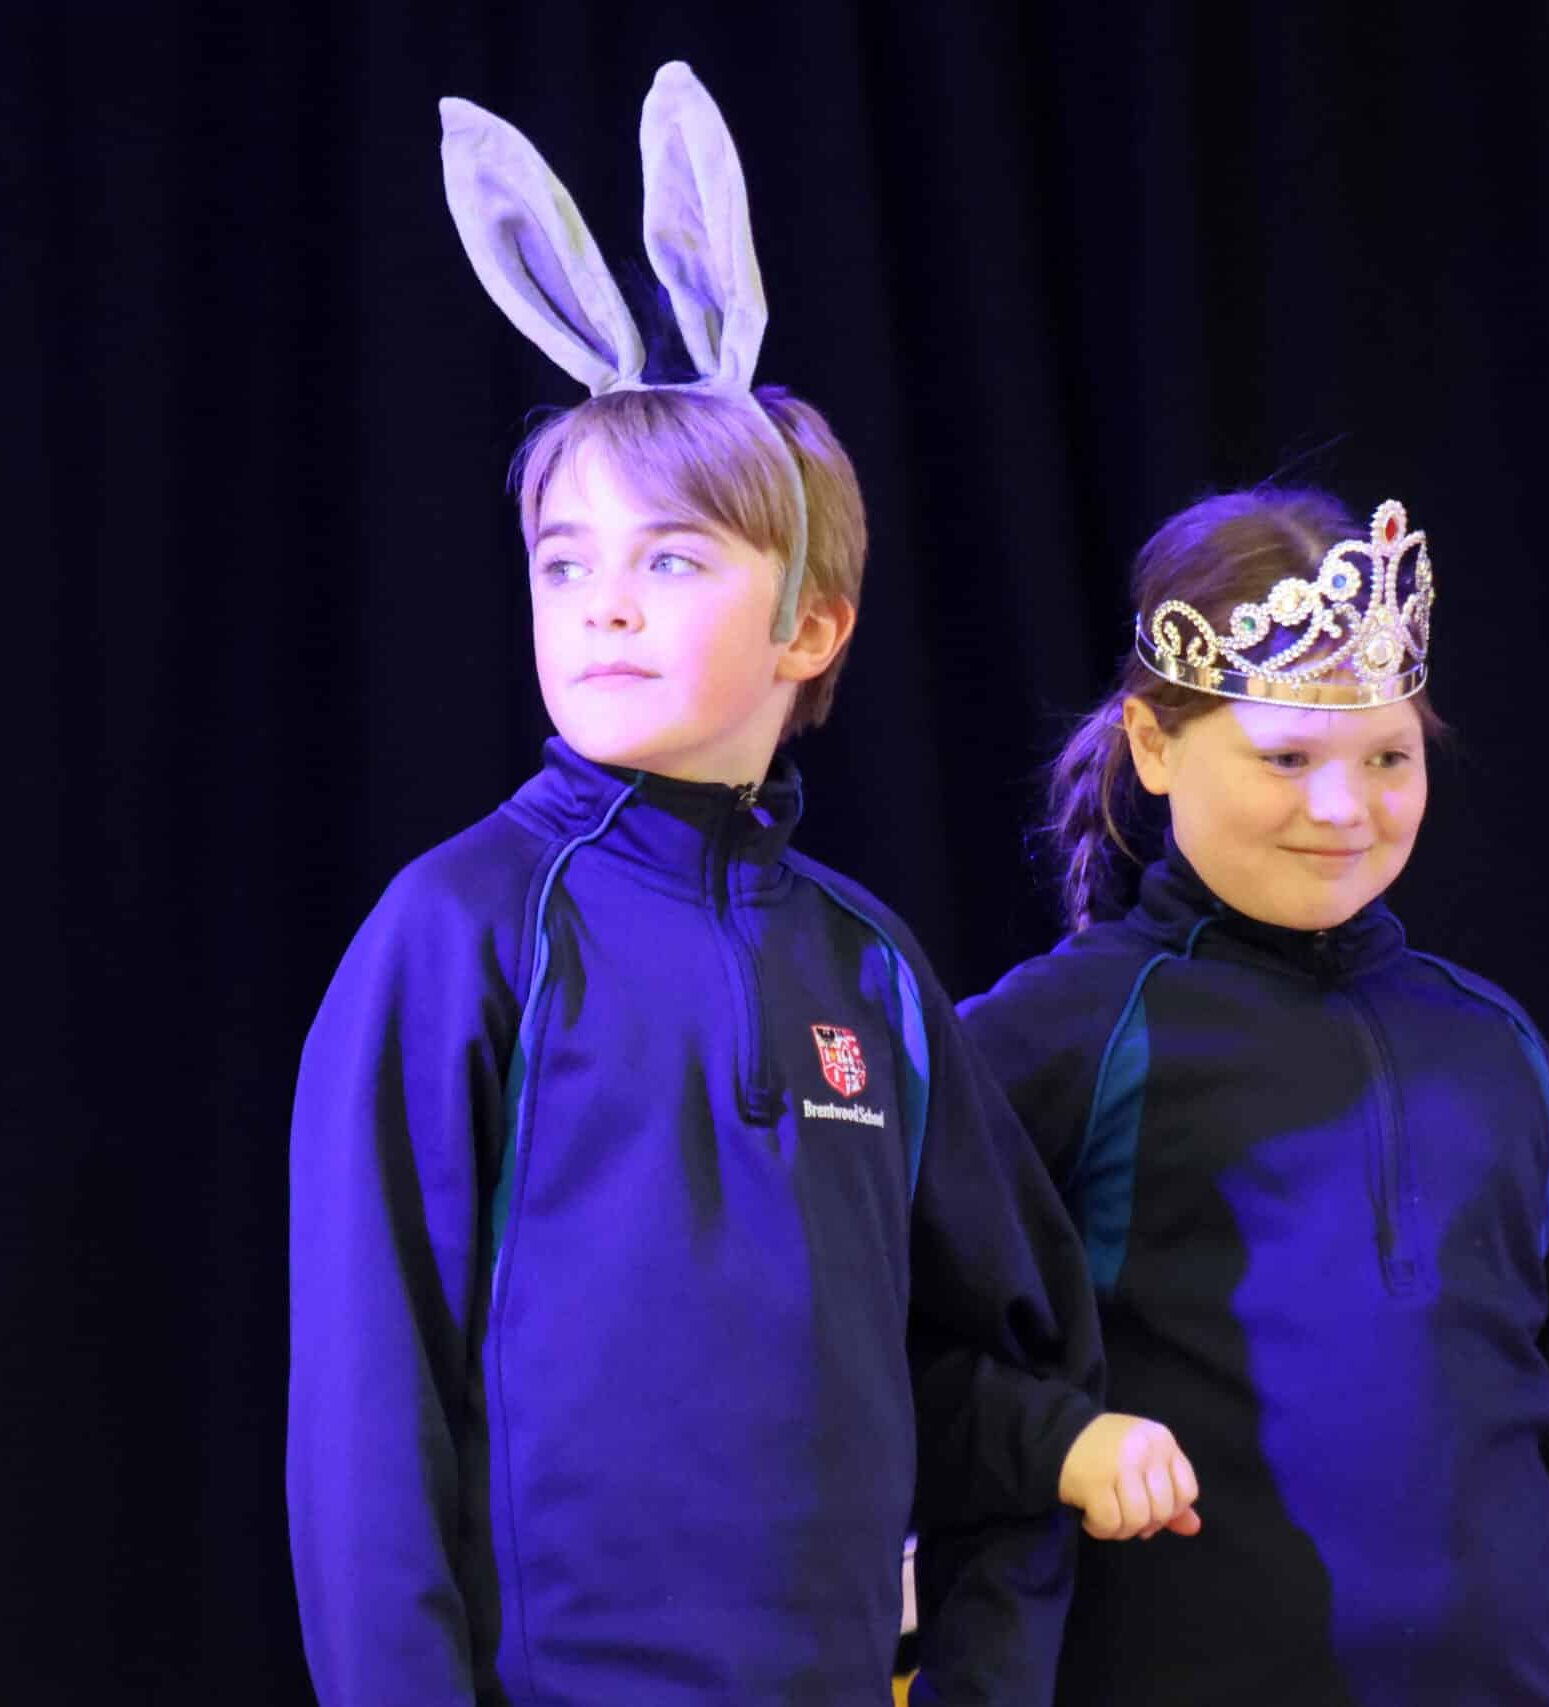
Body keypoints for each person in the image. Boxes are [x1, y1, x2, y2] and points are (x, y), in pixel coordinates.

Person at [286, 64, 1192, 1706]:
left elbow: (1003, 1368)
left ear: (811, 627)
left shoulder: (866, 970)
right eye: (567, 562)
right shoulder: (462, 933)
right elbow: (369, 1405)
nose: (605, 604)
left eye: (674, 558)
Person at [958, 485, 1549, 1705]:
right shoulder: (1050, 1043)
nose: (1341, 809)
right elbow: (899, 1369)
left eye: (1387, 755)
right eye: (1286, 755)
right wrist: (1054, 1442)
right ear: (1154, 743)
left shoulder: (1494, 1051)